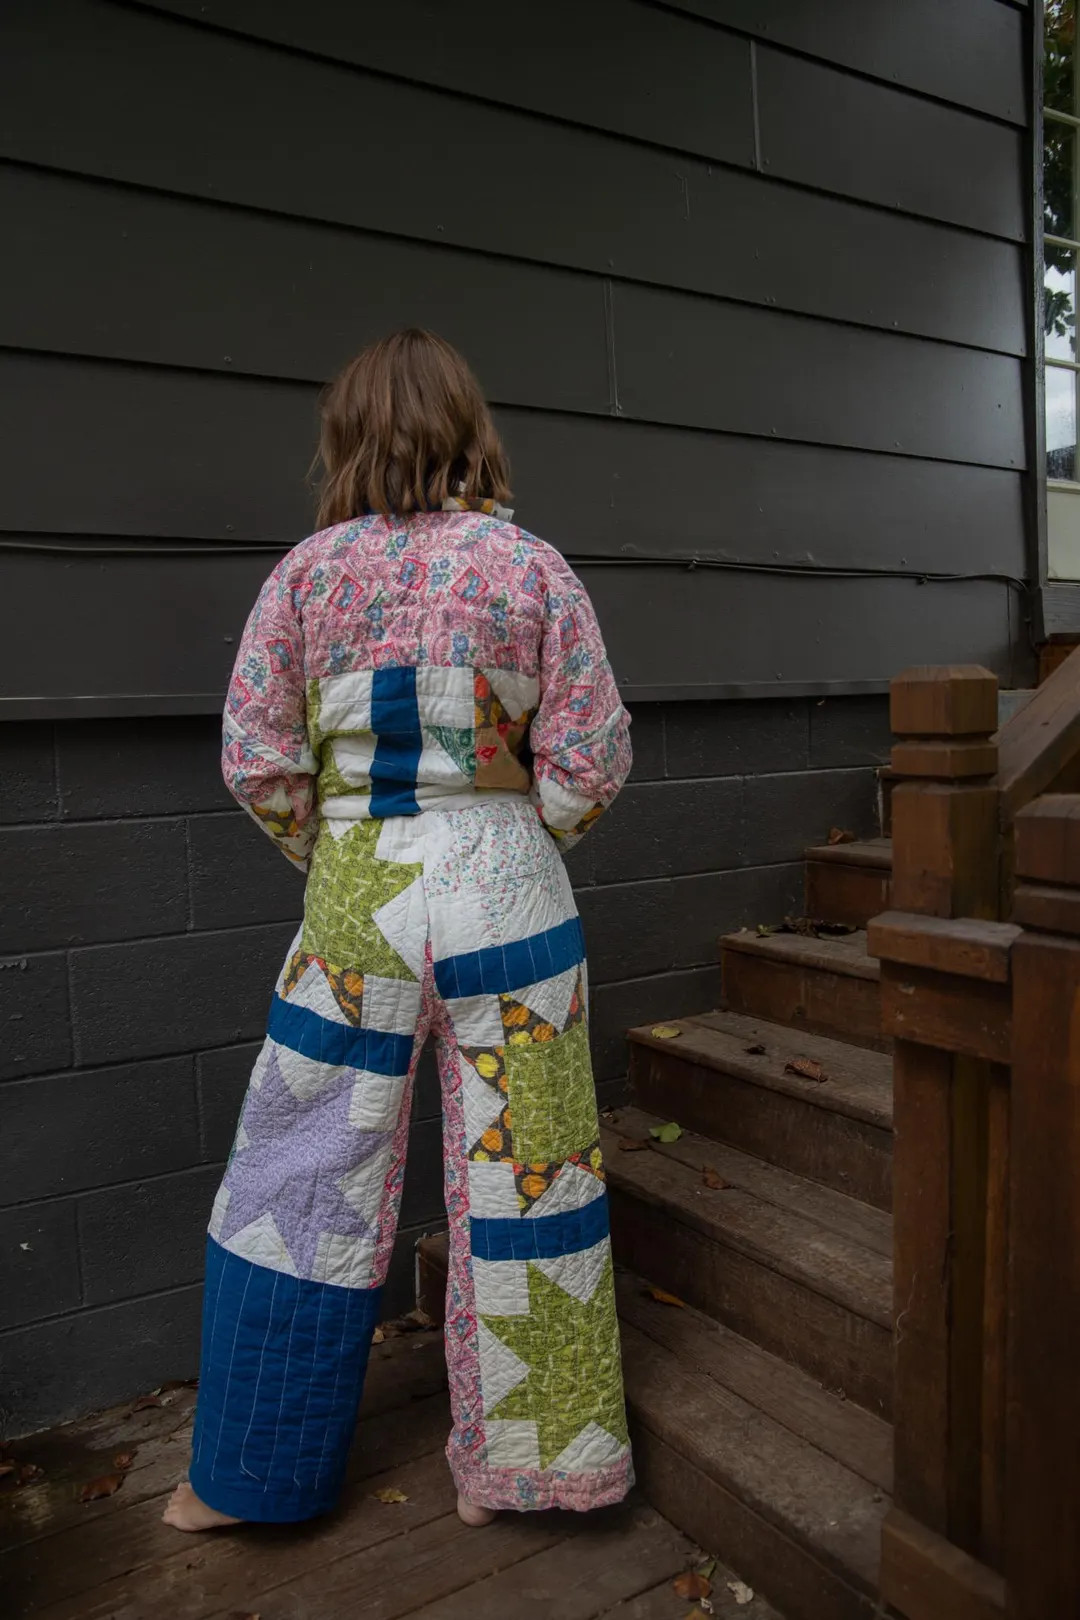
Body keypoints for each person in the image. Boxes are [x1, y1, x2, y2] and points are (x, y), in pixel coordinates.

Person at [164, 329, 634, 1533]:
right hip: (510, 899)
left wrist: (333, 855)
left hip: (356, 905)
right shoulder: (533, 568)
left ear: (349, 442)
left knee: (299, 1177)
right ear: (471, 429)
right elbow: (592, 761)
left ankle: (248, 1481)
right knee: (534, 1184)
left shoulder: (306, 577)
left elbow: (256, 758)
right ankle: (532, 1473)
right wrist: (522, 839)